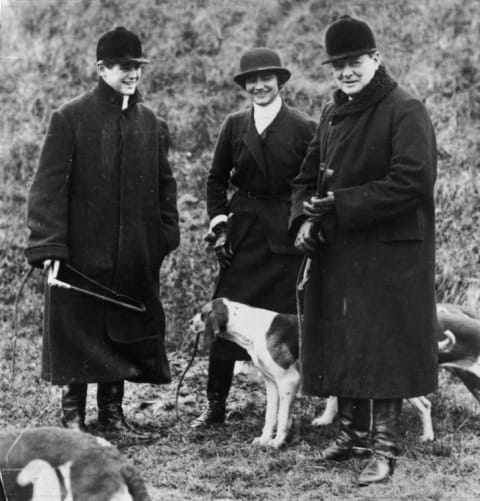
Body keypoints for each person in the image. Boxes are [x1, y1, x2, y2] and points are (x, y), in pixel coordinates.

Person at [291, 15, 438, 485]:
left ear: (376, 58)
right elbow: (304, 175)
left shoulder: (405, 107)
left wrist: (342, 204)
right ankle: (353, 436)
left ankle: (385, 449)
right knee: (345, 340)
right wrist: (303, 218)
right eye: (338, 67)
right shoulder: (333, 113)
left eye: (354, 63)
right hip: (340, 246)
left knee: (383, 345)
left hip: (389, 253)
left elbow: (414, 180)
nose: (346, 73)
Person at [25, 27, 180, 436]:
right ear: (101, 68)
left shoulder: (152, 123)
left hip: (133, 258)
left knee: (122, 334)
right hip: (80, 258)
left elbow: (166, 188)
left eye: (137, 68)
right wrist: (49, 245)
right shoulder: (70, 118)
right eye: (124, 67)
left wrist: (164, 239)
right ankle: (72, 420)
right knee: (77, 334)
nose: (133, 75)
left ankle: (112, 416)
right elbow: (48, 187)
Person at [191, 47, 316, 428]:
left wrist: (304, 223)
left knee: (289, 324)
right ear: (244, 86)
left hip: (285, 237)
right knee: (223, 322)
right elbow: (215, 180)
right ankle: (215, 405)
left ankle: (290, 409)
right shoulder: (234, 124)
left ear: (280, 82)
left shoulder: (303, 126)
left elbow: (311, 182)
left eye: (266, 79)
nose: (259, 86)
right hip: (241, 238)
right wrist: (220, 223)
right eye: (251, 80)